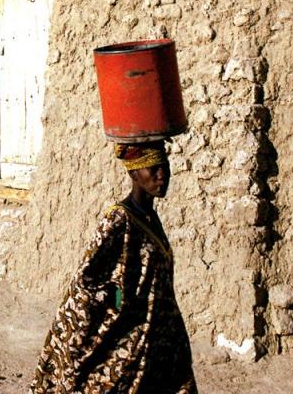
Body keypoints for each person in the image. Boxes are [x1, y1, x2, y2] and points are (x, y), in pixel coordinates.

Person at [30, 140, 197, 394]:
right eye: (152, 169)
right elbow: (86, 280)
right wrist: (116, 302)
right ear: (134, 173)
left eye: (164, 167)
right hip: (133, 337)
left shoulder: (150, 219)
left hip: (162, 340)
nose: (162, 175)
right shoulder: (119, 219)